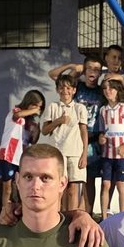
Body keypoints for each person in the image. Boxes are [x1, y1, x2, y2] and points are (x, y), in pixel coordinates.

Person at [48, 55, 106, 213]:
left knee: (88, 179)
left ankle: (87, 214)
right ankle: (63, 213)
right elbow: (53, 75)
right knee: (66, 181)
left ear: (100, 72)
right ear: (84, 70)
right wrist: (72, 67)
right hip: (72, 138)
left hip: (92, 140)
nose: (93, 71)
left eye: (97, 69)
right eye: (90, 68)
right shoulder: (76, 86)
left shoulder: (102, 91)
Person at [0, 90, 46, 223]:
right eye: (36, 105)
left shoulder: (31, 121)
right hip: (9, 154)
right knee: (7, 186)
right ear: (29, 102)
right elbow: (17, 115)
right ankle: (5, 212)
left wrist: (37, 126)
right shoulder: (16, 111)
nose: (37, 110)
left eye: (40, 107)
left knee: (22, 185)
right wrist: (33, 111)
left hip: (22, 157)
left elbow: (33, 140)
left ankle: (21, 212)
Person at [40, 74, 88, 212]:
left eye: (68, 88)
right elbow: (44, 130)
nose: (65, 91)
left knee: (73, 189)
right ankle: (57, 217)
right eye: (61, 88)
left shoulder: (80, 108)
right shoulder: (53, 106)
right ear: (57, 90)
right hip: (57, 152)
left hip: (75, 152)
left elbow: (83, 131)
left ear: (74, 90)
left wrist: (84, 154)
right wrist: (59, 121)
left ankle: (71, 218)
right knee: (58, 188)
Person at [98, 79, 124, 216]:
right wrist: (101, 138)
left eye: (111, 88)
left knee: (120, 185)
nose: (107, 91)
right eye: (105, 88)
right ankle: (104, 217)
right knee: (106, 184)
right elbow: (101, 131)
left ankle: (123, 216)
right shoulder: (103, 110)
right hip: (107, 154)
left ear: (117, 91)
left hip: (123, 155)